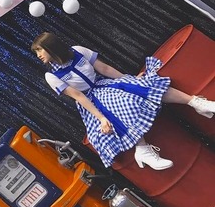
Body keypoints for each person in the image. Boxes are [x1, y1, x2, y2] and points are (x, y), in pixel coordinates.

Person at [31, 32, 215, 170]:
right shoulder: (51, 76)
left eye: (39, 49)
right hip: (90, 102)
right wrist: (101, 118)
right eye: (36, 52)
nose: (38, 55)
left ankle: (196, 103)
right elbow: (78, 96)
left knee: (144, 85)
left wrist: (130, 79)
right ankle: (142, 149)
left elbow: (105, 69)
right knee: (117, 105)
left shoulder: (77, 51)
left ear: (51, 46)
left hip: (103, 84)